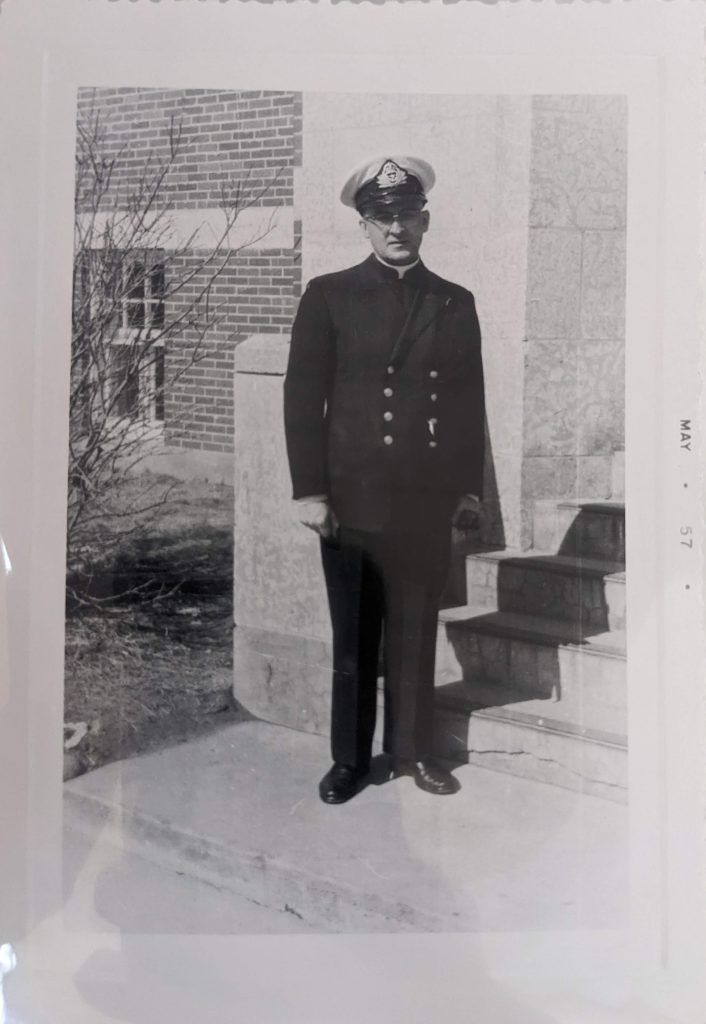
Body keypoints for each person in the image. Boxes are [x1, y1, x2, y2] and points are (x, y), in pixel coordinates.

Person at [283, 155, 485, 804]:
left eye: (405, 215)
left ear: (424, 221)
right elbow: (301, 398)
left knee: (415, 631)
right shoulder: (330, 295)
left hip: (423, 502)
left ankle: (412, 752)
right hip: (349, 501)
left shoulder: (454, 303)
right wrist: (309, 490)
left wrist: (467, 490)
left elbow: (463, 404)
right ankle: (350, 759)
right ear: (364, 227)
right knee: (355, 639)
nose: (394, 228)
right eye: (380, 217)